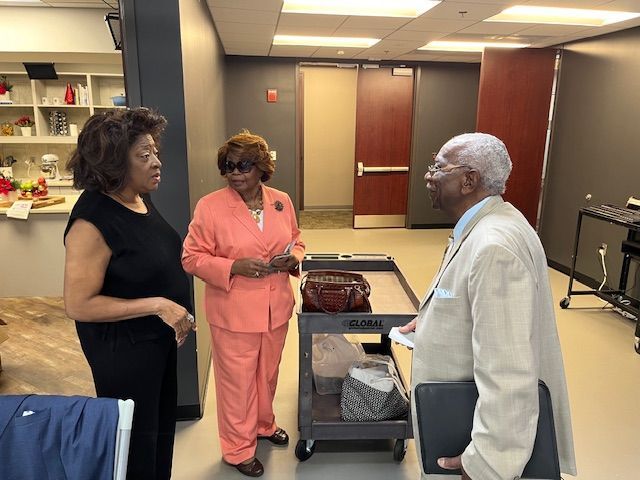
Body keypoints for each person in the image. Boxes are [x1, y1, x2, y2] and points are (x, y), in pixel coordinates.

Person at [399, 133, 577, 480]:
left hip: (473, 446)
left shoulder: (493, 246)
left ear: (469, 180)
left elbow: (509, 370)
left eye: (438, 167)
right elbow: (479, 308)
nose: (428, 176)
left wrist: (487, 463)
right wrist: (435, 320)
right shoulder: (490, 223)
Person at [63, 108, 196, 480]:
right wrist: (160, 305)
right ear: (114, 163)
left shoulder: (137, 196)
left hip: (154, 342)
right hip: (123, 351)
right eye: (144, 155)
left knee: (159, 432)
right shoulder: (92, 221)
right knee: (135, 443)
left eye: (154, 151)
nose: (157, 162)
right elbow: (78, 304)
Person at [181, 130, 305, 478]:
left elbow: (296, 239)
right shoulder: (210, 206)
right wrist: (233, 266)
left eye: (244, 165)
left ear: (262, 167)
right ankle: (238, 448)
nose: (234, 173)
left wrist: (294, 257)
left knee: (267, 376)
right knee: (237, 385)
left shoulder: (281, 201)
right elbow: (191, 257)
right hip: (233, 312)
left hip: (275, 308)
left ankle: (263, 425)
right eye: (228, 166)